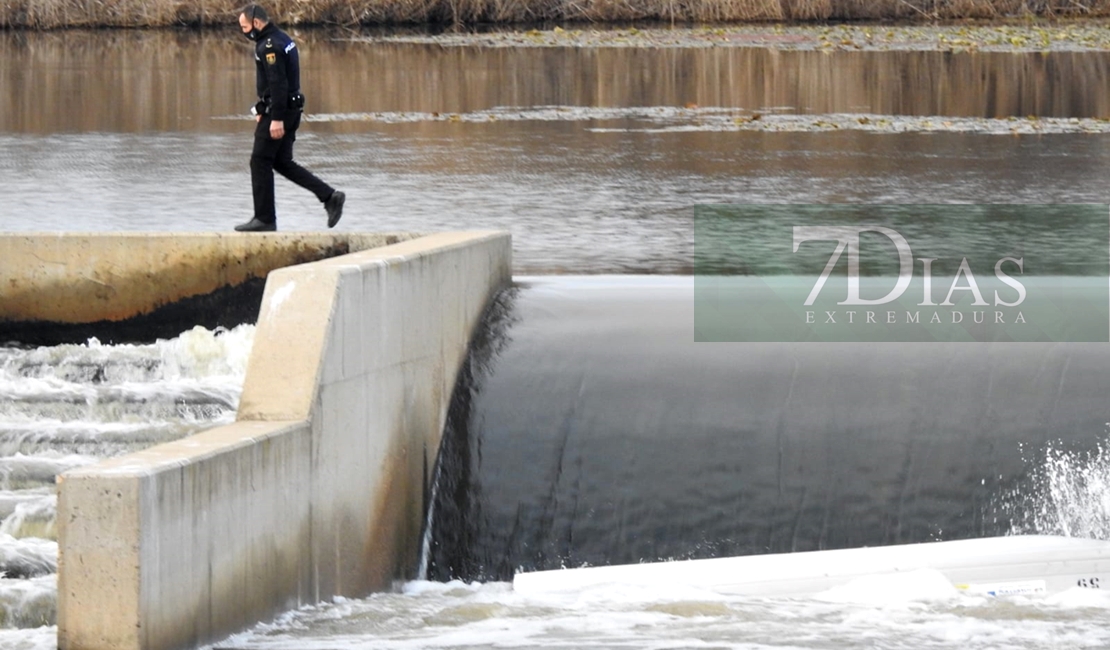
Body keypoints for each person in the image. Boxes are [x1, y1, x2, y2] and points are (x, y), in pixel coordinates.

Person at [234, 4, 345, 232]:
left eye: (245, 27)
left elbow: (278, 83)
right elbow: (278, 84)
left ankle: (264, 219)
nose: (244, 32)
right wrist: (261, 109)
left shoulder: (268, 45)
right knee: (282, 162)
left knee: (259, 161)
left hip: (281, 112)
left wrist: (275, 118)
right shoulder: (282, 38)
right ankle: (329, 196)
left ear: (256, 23)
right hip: (289, 109)